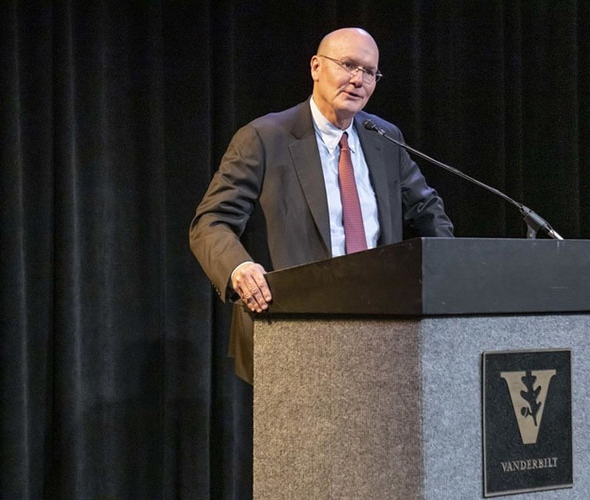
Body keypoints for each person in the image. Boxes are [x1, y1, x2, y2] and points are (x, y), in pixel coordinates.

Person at [189, 27, 453, 383]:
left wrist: (447, 272)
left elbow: (427, 211)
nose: (358, 80)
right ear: (316, 67)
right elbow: (211, 222)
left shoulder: (384, 137)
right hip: (291, 327)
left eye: (369, 72)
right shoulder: (265, 138)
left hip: (381, 329)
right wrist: (239, 268)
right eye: (347, 65)